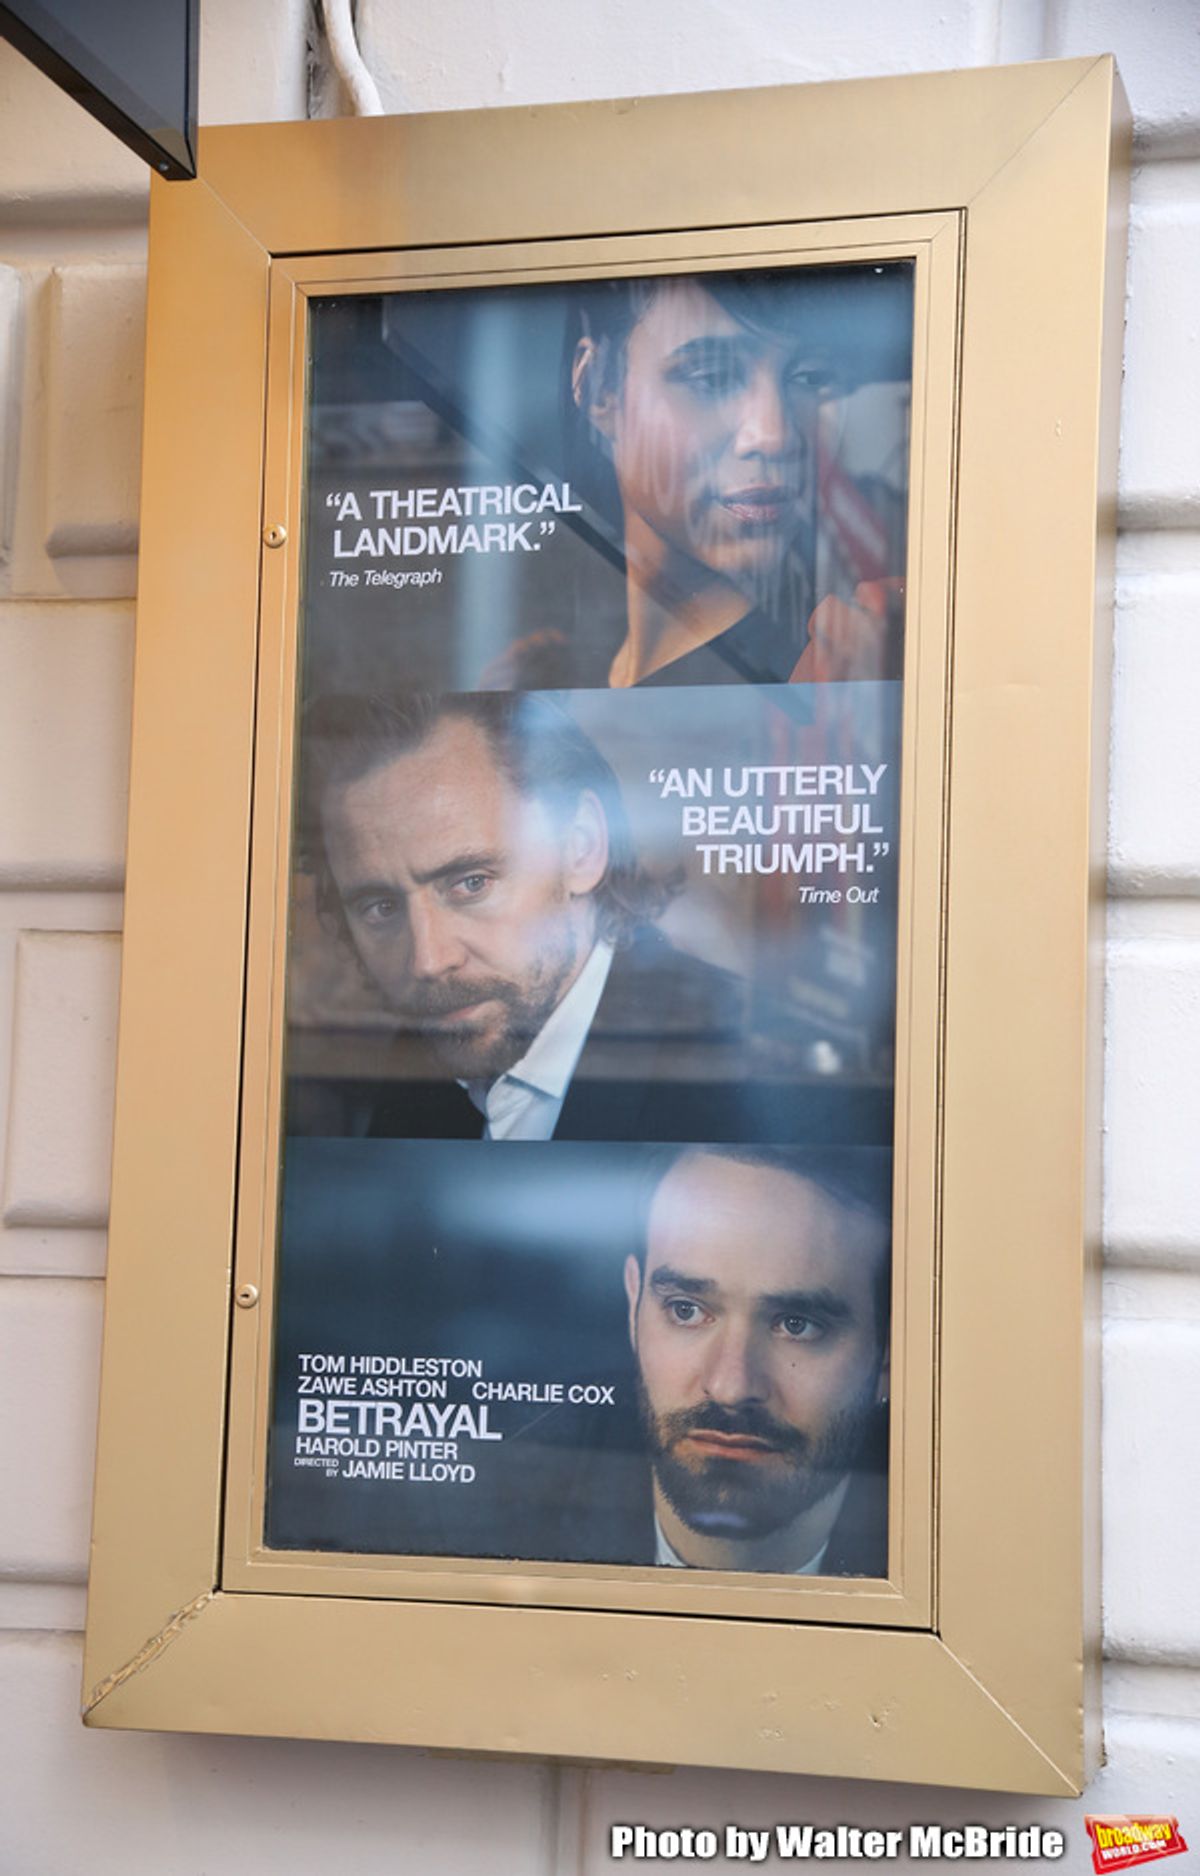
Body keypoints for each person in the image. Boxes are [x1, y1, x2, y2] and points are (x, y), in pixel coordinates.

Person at [288, 689, 866, 1144]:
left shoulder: (761, 1082)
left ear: (582, 848)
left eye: (470, 883)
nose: (429, 959)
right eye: (381, 907)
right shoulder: (410, 1073)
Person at [560, 268, 910, 690]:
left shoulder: (836, 665)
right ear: (598, 389)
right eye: (712, 377)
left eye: (810, 378)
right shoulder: (565, 664)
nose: (774, 435)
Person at [616, 1145, 890, 1574]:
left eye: (798, 1325)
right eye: (686, 1310)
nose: (731, 1387)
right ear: (633, 1304)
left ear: (890, 1354)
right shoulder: (510, 1490)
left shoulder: (964, 1550)